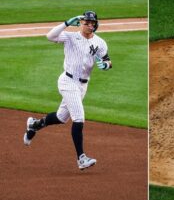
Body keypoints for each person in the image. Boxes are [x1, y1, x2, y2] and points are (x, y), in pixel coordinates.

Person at [23, 10, 112, 169]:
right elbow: (50, 36)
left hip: (83, 85)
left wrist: (106, 65)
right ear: (81, 23)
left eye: (92, 23)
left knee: (61, 117)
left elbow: (107, 60)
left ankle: (34, 125)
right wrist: (66, 23)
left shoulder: (100, 42)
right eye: (86, 22)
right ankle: (81, 159)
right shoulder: (70, 36)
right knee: (79, 118)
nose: (90, 25)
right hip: (68, 81)